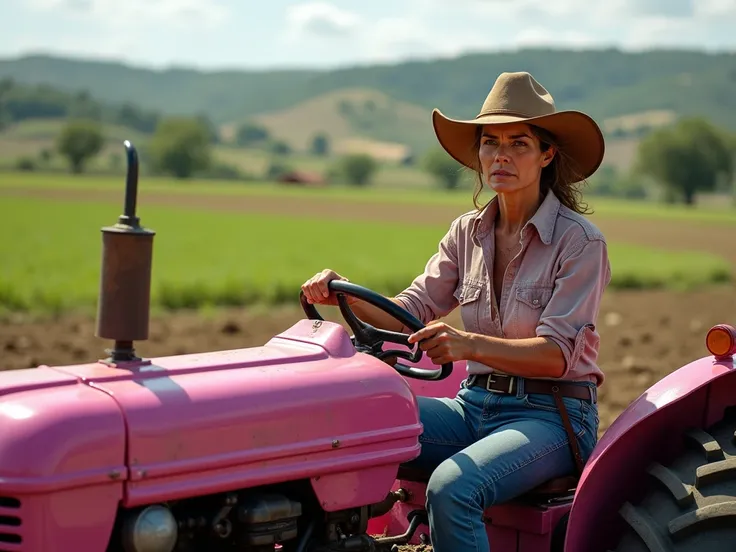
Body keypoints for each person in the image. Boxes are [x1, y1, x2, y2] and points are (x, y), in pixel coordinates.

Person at [301, 71, 611, 552]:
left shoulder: (580, 242)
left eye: (519, 143)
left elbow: (556, 355)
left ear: (547, 154)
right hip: (472, 406)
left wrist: (467, 344)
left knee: (453, 486)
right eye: (490, 143)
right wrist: (344, 295)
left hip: (551, 416)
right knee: (349, 434)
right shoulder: (467, 232)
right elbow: (411, 308)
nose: (500, 155)